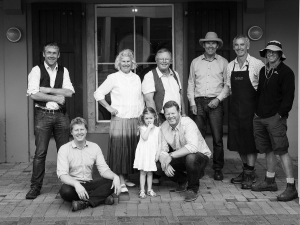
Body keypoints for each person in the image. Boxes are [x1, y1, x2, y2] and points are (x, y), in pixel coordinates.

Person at [26, 42, 75, 199]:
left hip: (61, 115)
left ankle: (67, 185)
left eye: (55, 53)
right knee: (40, 153)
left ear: (58, 55)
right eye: (49, 52)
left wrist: (46, 89)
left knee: (65, 152)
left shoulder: (64, 70)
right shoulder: (36, 70)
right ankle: (35, 187)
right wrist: (57, 96)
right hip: (43, 114)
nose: (52, 55)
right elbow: (33, 94)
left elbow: (69, 92)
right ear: (44, 54)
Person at [251, 41, 298, 201]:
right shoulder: (264, 70)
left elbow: (288, 98)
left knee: (282, 150)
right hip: (260, 117)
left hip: (275, 118)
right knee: (268, 150)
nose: (270, 54)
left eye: (274, 52)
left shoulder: (287, 72)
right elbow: (260, 93)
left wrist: (279, 116)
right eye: (268, 52)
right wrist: (256, 113)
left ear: (279, 54)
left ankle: (291, 188)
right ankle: (270, 181)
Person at [94, 49, 144, 192]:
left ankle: (126, 178)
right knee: (120, 150)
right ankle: (120, 180)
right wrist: (108, 107)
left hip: (134, 119)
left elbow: (140, 99)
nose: (126, 64)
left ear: (132, 63)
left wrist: (141, 117)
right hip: (120, 119)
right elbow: (98, 93)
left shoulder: (136, 78)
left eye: (129, 61)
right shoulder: (113, 77)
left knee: (130, 149)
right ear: (119, 63)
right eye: (123, 61)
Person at [187, 32, 228, 181]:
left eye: (213, 43)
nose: (210, 46)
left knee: (217, 138)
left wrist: (218, 99)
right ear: (203, 45)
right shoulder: (195, 62)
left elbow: (228, 85)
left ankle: (217, 169)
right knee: (198, 138)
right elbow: (191, 83)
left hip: (215, 103)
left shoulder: (224, 62)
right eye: (208, 43)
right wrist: (191, 102)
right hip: (198, 102)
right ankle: (199, 168)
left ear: (217, 45)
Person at [57, 117, 121, 212]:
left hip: (89, 184)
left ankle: (84, 203)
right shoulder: (64, 149)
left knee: (112, 182)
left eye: (82, 129)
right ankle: (100, 198)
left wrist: (116, 177)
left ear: (86, 130)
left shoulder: (95, 147)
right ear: (71, 132)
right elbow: (62, 175)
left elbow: (103, 170)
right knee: (65, 191)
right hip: (73, 186)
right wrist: (76, 184)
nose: (79, 132)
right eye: (76, 130)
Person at [225, 35, 264, 189]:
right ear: (233, 47)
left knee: (250, 143)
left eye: (242, 45)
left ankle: (250, 174)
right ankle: (246, 170)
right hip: (235, 110)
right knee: (239, 143)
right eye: (236, 45)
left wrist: (261, 111)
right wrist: (217, 100)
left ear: (248, 46)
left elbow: (263, 90)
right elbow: (228, 89)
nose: (239, 48)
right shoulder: (230, 66)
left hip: (251, 110)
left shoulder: (257, 64)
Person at [142, 48, 186, 185]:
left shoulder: (175, 74)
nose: (164, 61)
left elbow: (180, 95)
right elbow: (149, 99)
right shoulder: (150, 75)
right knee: (157, 145)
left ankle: (174, 172)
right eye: (161, 59)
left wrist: (183, 113)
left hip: (175, 115)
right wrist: (155, 120)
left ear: (171, 60)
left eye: (167, 59)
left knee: (176, 143)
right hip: (160, 115)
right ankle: (156, 175)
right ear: (156, 60)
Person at [156, 101, 211, 202]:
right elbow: (163, 149)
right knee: (159, 166)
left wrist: (171, 156)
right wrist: (165, 161)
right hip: (181, 157)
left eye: (173, 113)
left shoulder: (187, 122)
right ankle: (183, 180)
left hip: (199, 157)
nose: (170, 116)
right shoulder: (163, 127)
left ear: (179, 112)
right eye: (167, 114)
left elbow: (192, 147)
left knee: (191, 157)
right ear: (164, 114)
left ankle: (192, 189)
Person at [133, 107, 161, 199]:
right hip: (144, 153)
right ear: (143, 119)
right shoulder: (142, 128)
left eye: (151, 118)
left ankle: (149, 189)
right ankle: (142, 190)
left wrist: (157, 154)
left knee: (150, 172)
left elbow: (159, 142)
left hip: (152, 153)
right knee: (143, 172)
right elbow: (144, 138)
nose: (149, 120)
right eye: (146, 118)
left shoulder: (158, 129)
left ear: (155, 118)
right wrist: (149, 128)